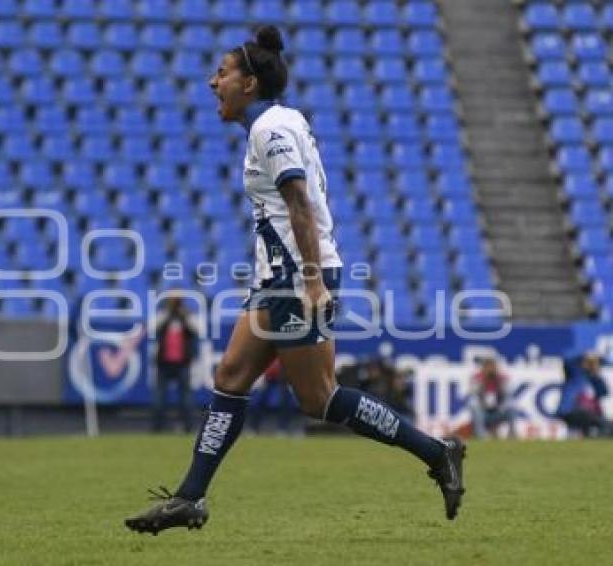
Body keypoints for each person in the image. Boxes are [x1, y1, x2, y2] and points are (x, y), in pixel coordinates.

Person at [124, 26, 465, 535]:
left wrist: (310, 281)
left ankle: (438, 451)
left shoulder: (270, 129)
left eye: (222, 72)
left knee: (319, 397)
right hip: (279, 276)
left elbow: (299, 203)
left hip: (294, 276)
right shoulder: (282, 121)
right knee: (231, 378)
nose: (211, 81)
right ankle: (189, 498)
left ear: (250, 82)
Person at [152, 297, 198, 433]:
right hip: (164, 363)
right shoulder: (164, 317)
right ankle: (158, 427)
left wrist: (184, 316)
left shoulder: (186, 317)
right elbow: (155, 329)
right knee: (160, 398)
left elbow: (194, 331)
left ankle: (188, 426)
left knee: (186, 399)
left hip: (182, 362)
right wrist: (168, 314)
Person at [557, 353, 612, 437]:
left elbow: (603, 392)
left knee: (605, 425)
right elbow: (567, 361)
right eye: (589, 363)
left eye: (594, 363)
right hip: (571, 410)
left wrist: (595, 373)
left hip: (586, 412)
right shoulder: (576, 375)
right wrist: (584, 357)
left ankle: (588, 439)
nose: (591, 365)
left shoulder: (594, 379)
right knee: (603, 425)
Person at [469, 358, 517, 438]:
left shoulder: (502, 379)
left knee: (511, 409)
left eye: (492, 367)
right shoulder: (477, 378)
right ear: (483, 368)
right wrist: (482, 382)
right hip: (483, 412)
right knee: (475, 409)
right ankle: (482, 437)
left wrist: (500, 384)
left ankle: (512, 435)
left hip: (498, 411)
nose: (490, 370)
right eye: (488, 367)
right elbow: (472, 395)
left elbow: (508, 395)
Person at [248, 357, 296, 434]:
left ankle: (282, 428)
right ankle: (253, 428)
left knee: (285, 400)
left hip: (284, 379)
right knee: (259, 399)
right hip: (268, 378)